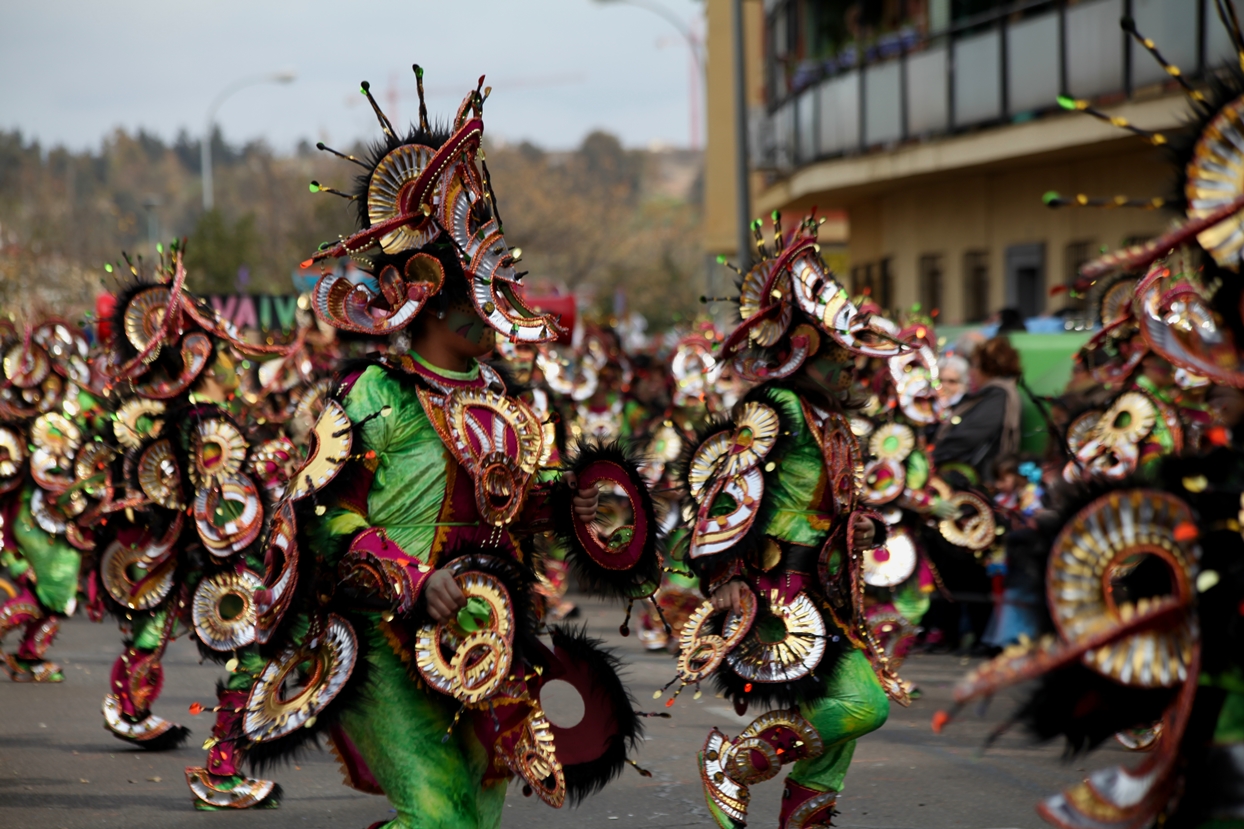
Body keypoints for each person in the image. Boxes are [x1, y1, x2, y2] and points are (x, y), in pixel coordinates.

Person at [236, 68, 661, 829]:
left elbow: (523, 498)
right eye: (477, 301)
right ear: (430, 302)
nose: (497, 316)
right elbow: (321, 518)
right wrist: (409, 579)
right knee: (440, 815)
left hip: (484, 635)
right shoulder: (377, 393)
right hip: (387, 636)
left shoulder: (502, 398)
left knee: (477, 814)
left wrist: (579, 502)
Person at [675, 213, 908, 829]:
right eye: (841, 356)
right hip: (783, 591)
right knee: (863, 705)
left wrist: (868, 530)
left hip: (829, 592)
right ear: (803, 352)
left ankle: (805, 814)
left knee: (842, 728)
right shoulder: (775, 405)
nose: (853, 368)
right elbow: (724, 489)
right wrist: (721, 571)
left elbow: (844, 505)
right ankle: (735, 761)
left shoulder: (828, 418)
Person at [933, 336, 1023, 483]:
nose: (971, 372)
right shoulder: (994, 394)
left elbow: (968, 435)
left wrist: (935, 455)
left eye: (975, 365)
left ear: (988, 368)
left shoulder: (998, 396)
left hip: (977, 479)